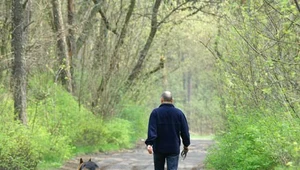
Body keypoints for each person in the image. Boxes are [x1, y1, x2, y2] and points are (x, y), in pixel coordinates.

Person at [145, 91, 190, 170]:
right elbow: (185, 131)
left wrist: (149, 144)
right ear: (172, 100)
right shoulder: (179, 113)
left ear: (161, 100)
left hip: (159, 148)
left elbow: (152, 130)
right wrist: (186, 145)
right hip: (173, 148)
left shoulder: (155, 113)